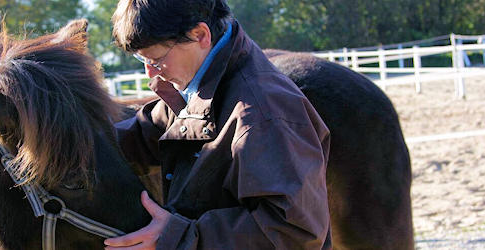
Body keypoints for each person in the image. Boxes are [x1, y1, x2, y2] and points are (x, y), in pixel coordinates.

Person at [105, 0, 332, 249]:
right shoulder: (202, 81)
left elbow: (294, 231)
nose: (151, 73)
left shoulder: (264, 113)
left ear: (200, 35)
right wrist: (78, 142)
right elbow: (146, 132)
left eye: (157, 59)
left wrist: (179, 237)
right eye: (143, 60)